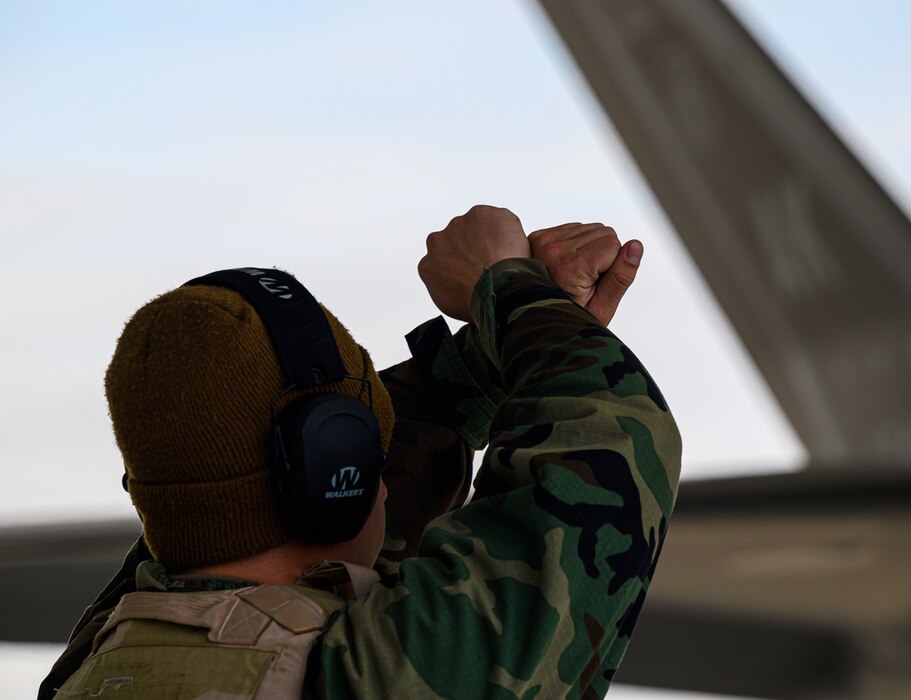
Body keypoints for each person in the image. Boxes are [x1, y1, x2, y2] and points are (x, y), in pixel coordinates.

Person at [41, 205, 681, 699]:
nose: (380, 480)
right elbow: (613, 433)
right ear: (334, 476)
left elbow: (227, 462)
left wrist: (507, 342)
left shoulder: (96, 659)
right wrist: (505, 290)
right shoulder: (376, 674)